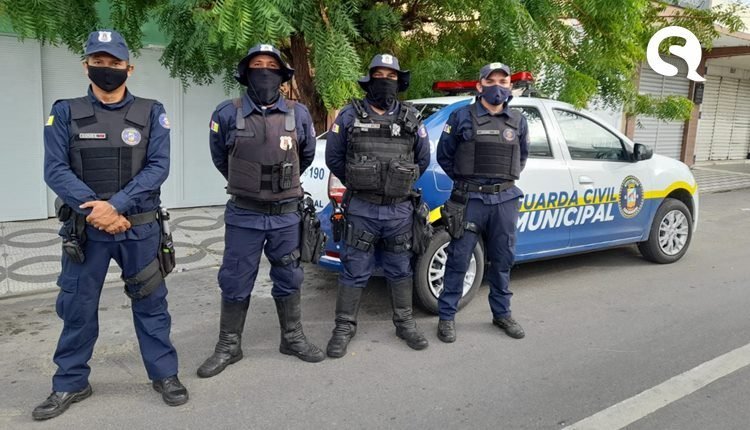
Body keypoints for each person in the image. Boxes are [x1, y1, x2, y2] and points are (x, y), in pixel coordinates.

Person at [34, 30, 187, 421]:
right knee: (77, 307)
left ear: (129, 69)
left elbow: (158, 167)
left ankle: (165, 374)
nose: (106, 69)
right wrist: (96, 211)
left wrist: (115, 206)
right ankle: (71, 381)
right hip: (87, 231)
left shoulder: (152, 112)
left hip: (139, 228)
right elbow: (55, 169)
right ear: (85, 65)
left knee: (151, 304)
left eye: (114, 63)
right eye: (98, 62)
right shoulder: (64, 112)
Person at [197, 43, 324, 378]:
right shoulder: (227, 112)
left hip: (286, 214)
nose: (264, 71)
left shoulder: (298, 113)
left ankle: (292, 338)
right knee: (235, 278)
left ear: (281, 74)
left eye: (271, 65)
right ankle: (229, 345)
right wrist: (249, 182)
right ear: (246, 73)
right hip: (245, 213)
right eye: (257, 65)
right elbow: (221, 158)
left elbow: (305, 156)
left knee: (289, 276)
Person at [324, 54, 431, 358]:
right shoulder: (349, 115)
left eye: (391, 76)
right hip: (363, 208)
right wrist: (362, 181)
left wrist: (397, 183)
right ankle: (344, 328)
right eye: (379, 75)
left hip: (399, 210)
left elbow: (423, 159)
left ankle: (405, 324)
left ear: (399, 81)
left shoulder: (411, 117)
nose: (385, 81)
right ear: (369, 79)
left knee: (400, 268)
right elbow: (334, 158)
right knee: (354, 269)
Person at [435, 62, 529, 343]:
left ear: (510, 86)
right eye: (491, 81)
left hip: (504, 200)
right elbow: (444, 155)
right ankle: (447, 317)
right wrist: (468, 181)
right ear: (479, 86)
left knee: (503, 259)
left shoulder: (519, 121)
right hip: (469, 199)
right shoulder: (461, 117)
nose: (497, 86)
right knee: (458, 259)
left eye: (503, 81)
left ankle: (502, 314)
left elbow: (521, 158)